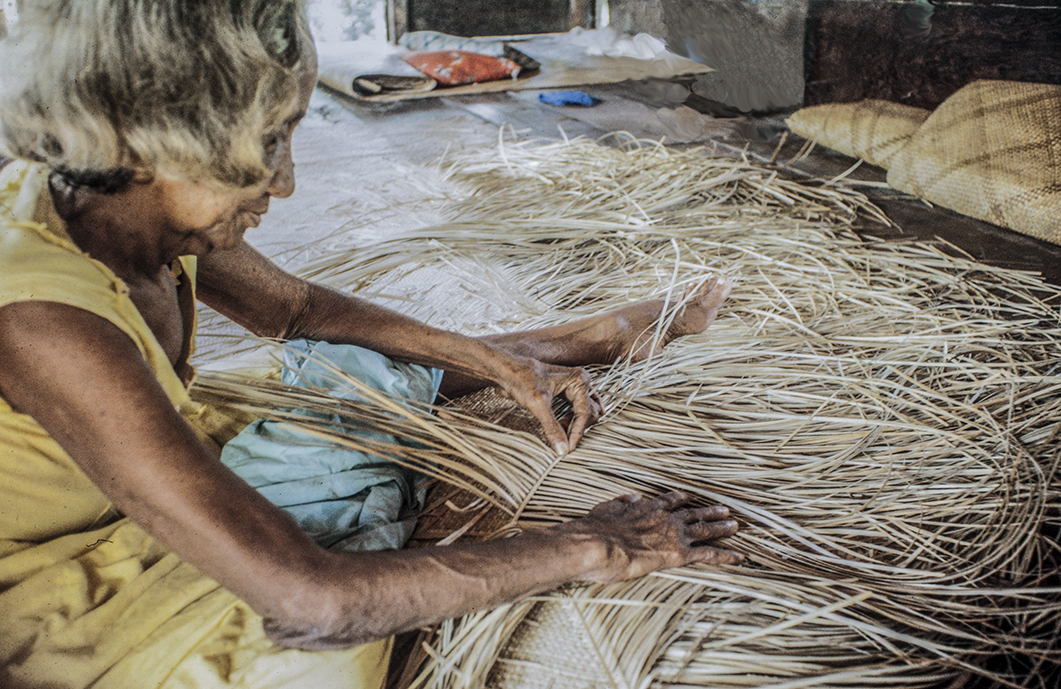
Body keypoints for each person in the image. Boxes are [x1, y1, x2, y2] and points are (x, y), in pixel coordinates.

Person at [0, 1, 741, 687]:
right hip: (53, 578)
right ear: (156, 146)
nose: (286, 181)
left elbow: (294, 308)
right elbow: (311, 602)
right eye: (267, 142)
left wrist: (497, 364)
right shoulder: (44, 318)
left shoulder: (125, 210)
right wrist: (589, 546)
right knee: (331, 651)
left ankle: (573, 339)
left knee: (344, 372)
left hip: (131, 450)